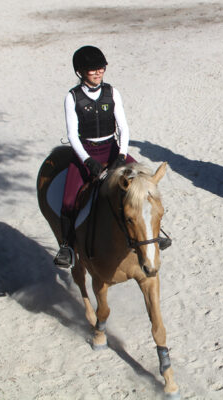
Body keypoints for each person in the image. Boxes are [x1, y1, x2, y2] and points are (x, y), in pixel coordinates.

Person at [53, 45, 136, 267]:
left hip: (112, 148)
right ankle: (67, 247)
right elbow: (72, 135)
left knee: (143, 184)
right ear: (80, 71)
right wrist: (87, 161)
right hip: (86, 153)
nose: (98, 72)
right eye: (92, 70)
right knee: (69, 200)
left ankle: (154, 236)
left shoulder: (112, 92)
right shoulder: (72, 97)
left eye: (101, 68)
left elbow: (124, 128)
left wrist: (121, 154)